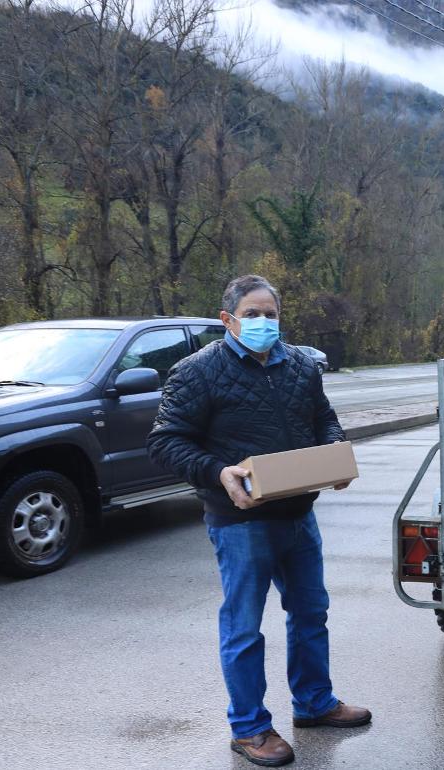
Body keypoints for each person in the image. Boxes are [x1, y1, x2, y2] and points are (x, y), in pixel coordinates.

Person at [148, 275, 370, 767]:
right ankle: (249, 728)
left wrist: (334, 451)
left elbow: (323, 418)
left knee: (311, 614)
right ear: (227, 320)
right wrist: (216, 471)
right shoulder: (196, 372)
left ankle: (314, 703)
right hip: (240, 520)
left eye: (270, 313)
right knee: (244, 627)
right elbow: (165, 440)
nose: (263, 322)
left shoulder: (300, 366)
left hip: (298, 513)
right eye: (252, 314)